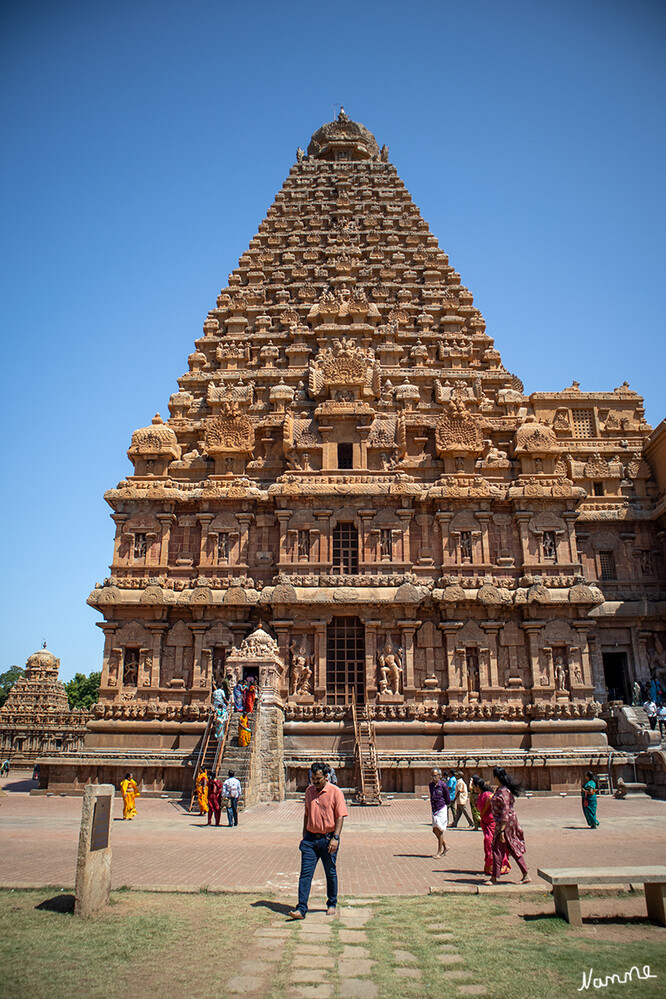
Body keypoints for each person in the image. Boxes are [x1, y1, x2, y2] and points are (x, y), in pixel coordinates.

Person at [288, 762, 348, 919]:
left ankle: (332, 903)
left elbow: (340, 816)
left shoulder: (335, 792)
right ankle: (301, 908)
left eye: (318, 779)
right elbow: (306, 814)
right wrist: (304, 835)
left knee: (330, 872)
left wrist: (336, 837)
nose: (315, 782)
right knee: (305, 874)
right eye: (313, 778)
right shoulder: (309, 791)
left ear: (326, 777)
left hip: (328, 839)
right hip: (310, 839)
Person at [486, 766, 530, 885]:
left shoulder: (504, 792)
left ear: (496, 777)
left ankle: (494, 878)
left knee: (497, 849)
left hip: (505, 824)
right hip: (505, 822)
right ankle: (525, 874)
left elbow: (505, 811)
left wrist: (501, 830)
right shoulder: (501, 790)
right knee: (512, 847)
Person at [473, 776, 510, 877]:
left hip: (491, 822)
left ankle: (497, 866)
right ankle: (490, 867)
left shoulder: (487, 794)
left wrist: (483, 811)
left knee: (490, 843)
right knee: (488, 843)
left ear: (477, 786)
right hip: (486, 822)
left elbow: (490, 798)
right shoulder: (481, 794)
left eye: (472, 786)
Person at [429, 767, 450, 858]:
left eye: (435, 775)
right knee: (434, 829)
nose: (433, 777)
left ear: (439, 776)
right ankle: (445, 846)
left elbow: (447, 798)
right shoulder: (431, 785)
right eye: (432, 775)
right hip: (434, 809)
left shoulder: (443, 786)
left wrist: (444, 806)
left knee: (440, 830)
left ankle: (439, 852)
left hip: (441, 808)